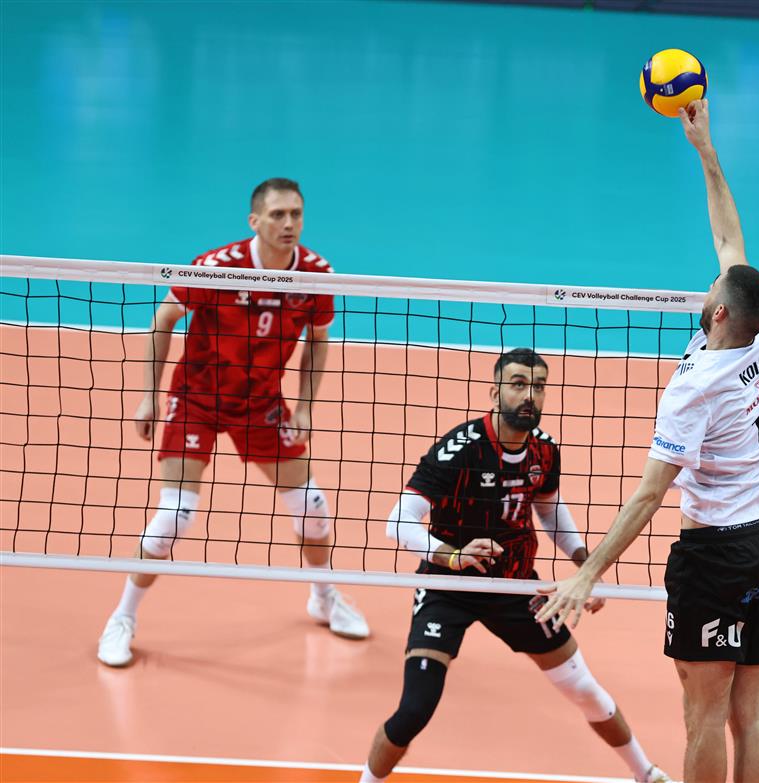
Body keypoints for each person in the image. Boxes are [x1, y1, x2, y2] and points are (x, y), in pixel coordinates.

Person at [536, 98, 759, 783]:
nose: (708, 281)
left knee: (703, 714)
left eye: (711, 288)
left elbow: (649, 495)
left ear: (720, 312)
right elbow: (731, 242)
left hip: (714, 556)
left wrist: (588, 570)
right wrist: (707, 153)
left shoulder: (696, 387)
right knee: (749, 713)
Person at [358, 348, 670, 783]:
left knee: (585, 691)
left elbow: (549, 511)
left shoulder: (545, 451)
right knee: (414, 710)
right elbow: (398, 522)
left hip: (515, 586)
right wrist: (453, 555)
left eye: (539, 386)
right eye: (519, 384)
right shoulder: (459, 451)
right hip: (450, 587)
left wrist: (585, 568)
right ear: (495, 393)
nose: (530, 395)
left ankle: (647, 774)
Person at [96, 178, 368, 667]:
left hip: (260, 402)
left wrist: (306, 406)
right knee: (174, 517)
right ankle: (122, 617)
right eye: (278, 215)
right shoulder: (217, 267)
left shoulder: (316, 274)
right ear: (255, 221)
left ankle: (324, 597)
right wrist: (149, 397)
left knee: (312, 506)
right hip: (197, 397)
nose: (289, 224)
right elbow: (163, 321)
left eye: (296, 214)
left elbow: (318, 341)